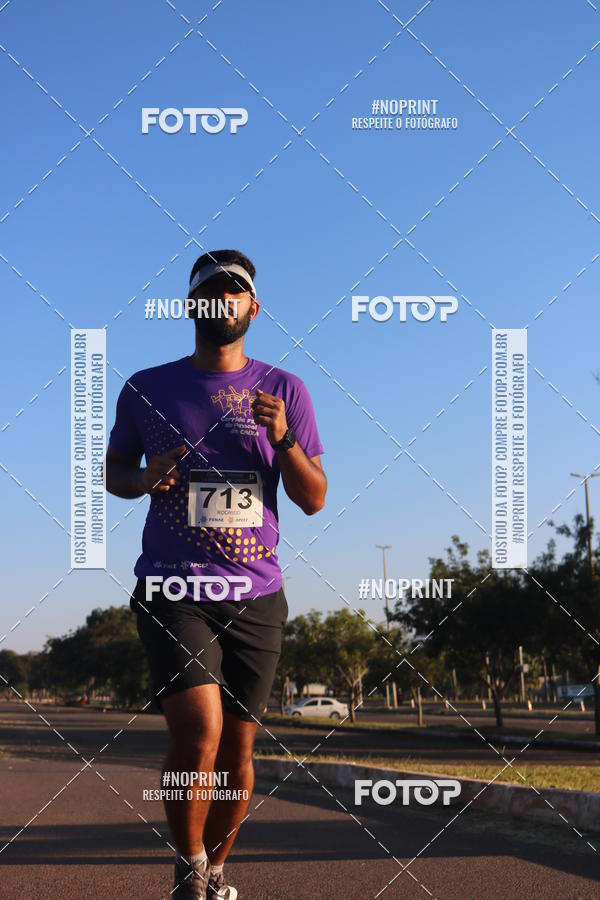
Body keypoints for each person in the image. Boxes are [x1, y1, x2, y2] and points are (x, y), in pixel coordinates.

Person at [105, 249, 327, 899]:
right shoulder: (147, 387)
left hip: (256, 592)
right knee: (199, 734)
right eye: (211, 293)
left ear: (252, 309)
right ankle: (189, 867)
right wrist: (143, 479)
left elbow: (313, 497)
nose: (223, 303)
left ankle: (219, 873)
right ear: (192, 306)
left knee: (237, 756)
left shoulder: (285, 390)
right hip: (176, 587)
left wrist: (284, 440)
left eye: (236, 294)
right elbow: (115, 473)